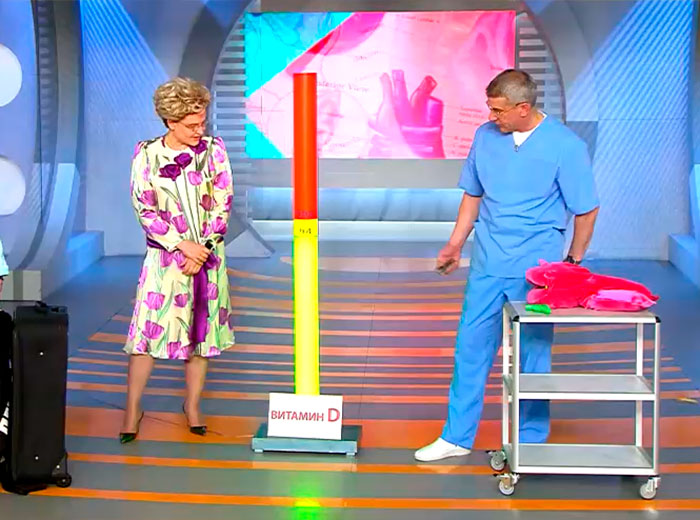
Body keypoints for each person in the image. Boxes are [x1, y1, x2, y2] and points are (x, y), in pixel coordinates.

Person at [415, 69, 599, 462]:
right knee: (470, 349)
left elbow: (586, 209)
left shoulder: (566, 146)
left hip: (536, 271)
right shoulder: (485, 137)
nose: (491, 116)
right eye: (489, 108)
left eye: (498, 110)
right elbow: (473, 194)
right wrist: (455, 244)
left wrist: (573, 262)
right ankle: (456, 437)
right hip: (488, 263)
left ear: (523, 108)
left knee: (532, 356)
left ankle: (529, 440)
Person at [120, 77, 235, 443]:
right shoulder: (147, 154)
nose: (199, 130)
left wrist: (202, 250)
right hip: (165, 258)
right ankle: (132, 409)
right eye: (191, 125)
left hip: (207, 257)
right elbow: (145, 208)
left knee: (200, 335)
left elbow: (223, 203)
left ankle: (193, 406)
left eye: (202, 122)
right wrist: (182, 245)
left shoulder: (214, 150)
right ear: (170, 121)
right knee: (146, 334)